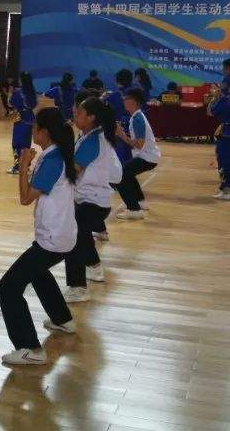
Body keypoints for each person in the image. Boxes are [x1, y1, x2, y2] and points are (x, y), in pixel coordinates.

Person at [0, 107, 77, 365]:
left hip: (53, 238)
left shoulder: (53, 161)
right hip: (60, 235)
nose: (32, 132)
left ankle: (30, 348)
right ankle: (62, 319)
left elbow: (25, 198)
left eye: (35, 128)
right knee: (38, 272)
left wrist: (22, 167)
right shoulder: (55, 156)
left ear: (45, 132)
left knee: (8, 287)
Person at [62, 97, 122, 303]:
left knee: (73, 235)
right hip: (91, 198)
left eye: (79, 113)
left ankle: (78, 287)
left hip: (94, 201)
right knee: (80, 233)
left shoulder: (94, 140)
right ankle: (95, 268)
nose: (75, 116)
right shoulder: (88, 136)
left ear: (91, 118)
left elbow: (73, 170)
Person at [114, 88, 161, 219]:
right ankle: (140, 202)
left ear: (133, 102)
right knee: (128, 173)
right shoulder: (136, 116)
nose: (123, 101)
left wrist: (121, 135)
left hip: (147, 157)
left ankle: (134, 209)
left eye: (125, 99)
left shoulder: (137, 119)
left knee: (120, 174)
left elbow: (139, 144)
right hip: (147, 156)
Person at [7, 72, 38, 174]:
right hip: (30, 120)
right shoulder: (32, 92)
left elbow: (10, 103)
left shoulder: (18, 92)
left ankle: (17, 167)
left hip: (21, 120)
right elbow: (34, 105)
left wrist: (10, 93)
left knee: (17, 144)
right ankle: (26, 165)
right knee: (26, 144)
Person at [103, 69, 134, 164]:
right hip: (132, 129)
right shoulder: (135, 94)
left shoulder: (114, 96)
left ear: (117, 80)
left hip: (119, 129)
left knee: (119, 159)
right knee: (128, 158)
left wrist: (103, 98)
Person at [207, 79, 230, 200]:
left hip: (227, 133)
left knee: (224, 161)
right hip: (225, 132)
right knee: (223, 160)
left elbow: (212, 111)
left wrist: (215, 98)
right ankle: (225, 188)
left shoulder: (225, 100)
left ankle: (226, 190)